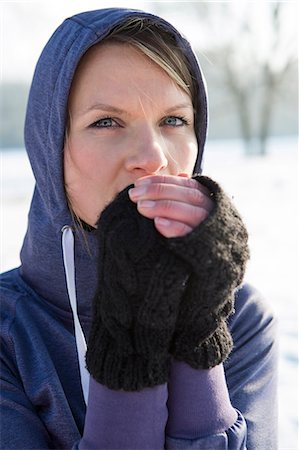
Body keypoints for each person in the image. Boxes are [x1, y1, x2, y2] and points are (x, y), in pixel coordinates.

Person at [0, 7, 278, 450]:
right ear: (48, 147)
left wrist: (197, 327)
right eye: (106, 122)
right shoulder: (9, 335)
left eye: (174, 120)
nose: (152, 156)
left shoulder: (241, 317)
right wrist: (129, 339)